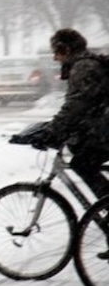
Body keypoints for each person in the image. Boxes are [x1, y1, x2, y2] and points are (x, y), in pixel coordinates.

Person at [37, 28, 109, 199]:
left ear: (66, 49)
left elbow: (77, 105)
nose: (55, 58)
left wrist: (53, 129)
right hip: (102, 128)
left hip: (104, 130)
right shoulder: (87, 64)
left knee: (83, 164)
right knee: (84, 158)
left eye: (56, 52)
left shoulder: (83, 67)